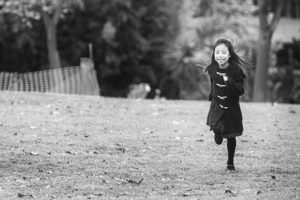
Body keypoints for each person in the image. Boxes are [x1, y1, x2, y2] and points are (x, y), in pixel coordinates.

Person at [205, 38, 250, 172]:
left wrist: (229, 81)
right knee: (216, 129)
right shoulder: (212, 68)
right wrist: (211, 94)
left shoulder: (236, 71)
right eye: (217, 52)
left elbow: (240, 91)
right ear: (214, 54)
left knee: (231, 136)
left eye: (223, 53)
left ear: (229, 54)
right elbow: (213, 82)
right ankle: (217, 134)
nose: (220, 55)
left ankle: (230, 164)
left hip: (231, 108)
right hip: (217, 105)